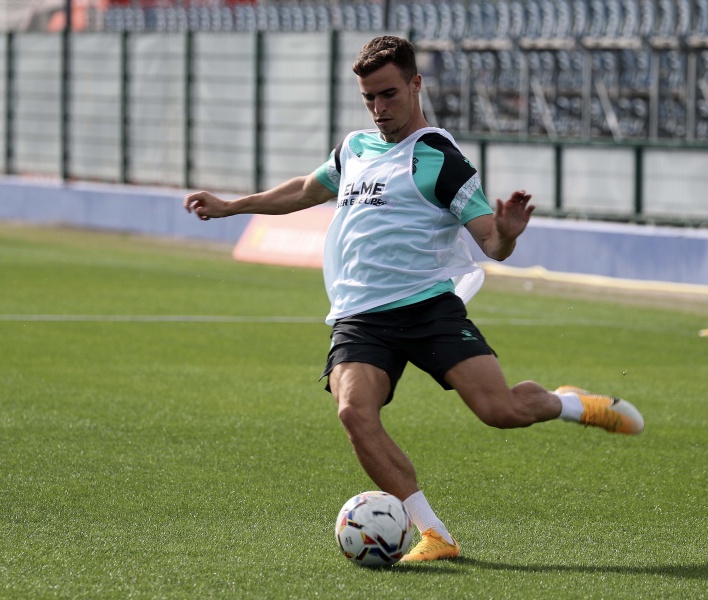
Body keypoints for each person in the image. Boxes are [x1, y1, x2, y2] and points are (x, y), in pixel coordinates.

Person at [184, 36, 644, 562]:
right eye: (369, 98)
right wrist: (231, 206)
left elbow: (491, 244)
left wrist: (507, 232)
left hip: (427, 308)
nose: (379, 109)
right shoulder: (355, 149)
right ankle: (435, 534)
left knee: (501, 411)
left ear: (415, 85)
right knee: (354, 412)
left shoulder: (440, 160)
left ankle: (569, 403)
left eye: (389, 94)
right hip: (360, 316)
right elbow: (306, 190)